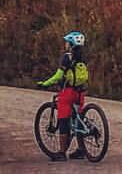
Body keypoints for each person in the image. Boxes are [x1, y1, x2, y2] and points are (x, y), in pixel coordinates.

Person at [37, 30, 90, 161]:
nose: (65, 44)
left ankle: (61, 153)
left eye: (67, 42)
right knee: (78, 119)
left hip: (68, 93)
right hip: (80, 92)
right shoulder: (83, 57)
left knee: (63, 121)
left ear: (71, 44)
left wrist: (45, 83)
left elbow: (59, 75)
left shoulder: (67, 57)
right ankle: (81, 150)